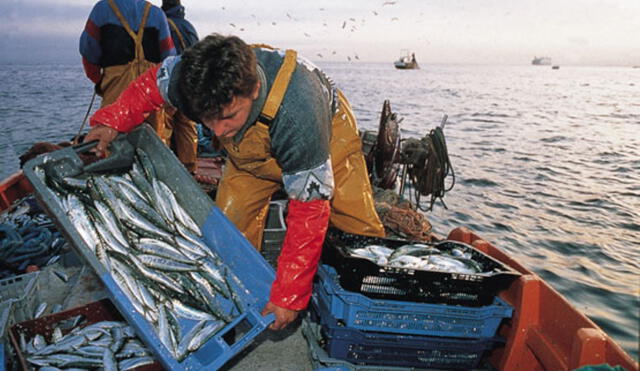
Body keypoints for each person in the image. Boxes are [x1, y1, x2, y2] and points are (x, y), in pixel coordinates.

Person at [84, 34, 385, 330]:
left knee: (356, 225)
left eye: (227, 116)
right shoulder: (191, 80)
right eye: (207, 119)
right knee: (228, 235)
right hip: (249, 155)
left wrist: (289, 295)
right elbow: (149, 86)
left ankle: (375, 308)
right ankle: (241, 306)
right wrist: (111, 121)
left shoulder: (299, 115)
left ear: (253, 89)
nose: (218, 131)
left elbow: (309, 208)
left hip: (326, 135)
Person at [79, 0, 175, 135]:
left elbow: (88, 50)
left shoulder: (102, 9)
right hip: (151, 89)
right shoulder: (157, 13)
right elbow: (168, 56)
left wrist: (100, 80)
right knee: (154, 142)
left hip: (115, 85)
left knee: (111, 139)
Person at [159, 0, 200, 173]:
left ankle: (166, 169)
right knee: (187, 126)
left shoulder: (162, 24)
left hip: (171, 83)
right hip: (190, 85)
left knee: (164, 125)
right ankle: (190, 168)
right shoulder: (189, 26)